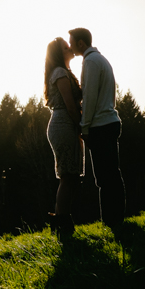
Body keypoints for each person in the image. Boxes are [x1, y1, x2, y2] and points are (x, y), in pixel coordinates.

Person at [68, 27, 126, 228]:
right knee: (111, 174)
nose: (69, 46)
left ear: (81, 43)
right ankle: (115, 218)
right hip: (108, 122)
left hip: (100, 126)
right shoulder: (101, 60)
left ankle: (111, 221)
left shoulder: (91, 62)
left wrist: (85, 128)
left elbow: (90, 97)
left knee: (105, 177)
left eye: (71, 42)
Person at [44, 36, 84, 235]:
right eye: (65, 46)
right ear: (59, 53)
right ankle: (62, 222)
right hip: (63, 125)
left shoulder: (65, 72)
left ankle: (61, 221)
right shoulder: (60, 72)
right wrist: (81, 125)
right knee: (67, 176)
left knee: (69, 176)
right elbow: (69, 103)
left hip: (65, 124)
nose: (70, 48)